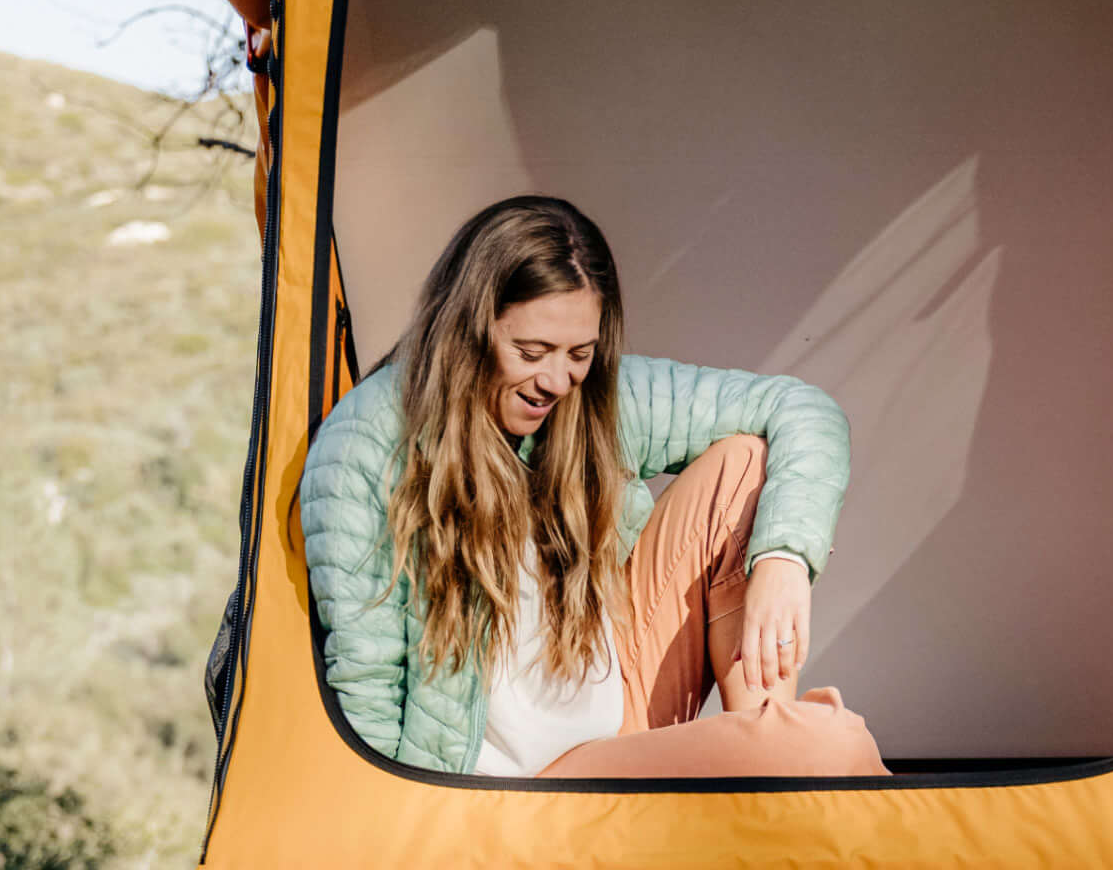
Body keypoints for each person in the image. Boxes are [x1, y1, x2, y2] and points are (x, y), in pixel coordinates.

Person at [299, 193, 883, 781]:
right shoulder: (366, 444)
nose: (556, 381)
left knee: (745, 461)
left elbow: (801, 408)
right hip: (509, 792)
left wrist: (783, 559)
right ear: (468, 328)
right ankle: (785, 767)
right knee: (834, 748)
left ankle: (774, 759)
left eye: (579, 352)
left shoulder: (592, 398)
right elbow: (367, 689)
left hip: (617, 720)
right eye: (531, 352)